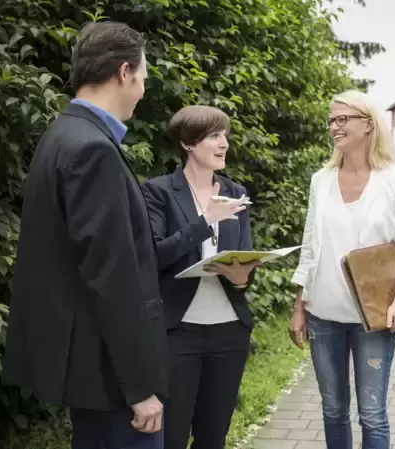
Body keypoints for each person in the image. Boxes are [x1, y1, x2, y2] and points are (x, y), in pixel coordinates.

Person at [1, 21, 168, 449]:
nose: (143, 91)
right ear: (124, 72)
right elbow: (112, 276)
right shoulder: (92, 149)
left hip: (89, 371)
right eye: (143, 79)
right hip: (110, 378)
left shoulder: (62, 135)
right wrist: (140, 388)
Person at [288, 90, 395, 449]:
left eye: (343, 119)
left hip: (375, 318)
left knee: (372, 414)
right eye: (332, 120)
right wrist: (299, 307)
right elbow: (310, 248)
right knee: (333, 409)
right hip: (323, 316)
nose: (335, 126)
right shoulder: (321, 180)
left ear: (368, 124)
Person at [140, 105, 259, 449]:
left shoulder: (235, 192)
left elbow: (245, 256)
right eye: (214, 136)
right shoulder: (158, 191)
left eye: (225, 136)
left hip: (229, 332)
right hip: (179, 332)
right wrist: (205, 221)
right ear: (189, 143)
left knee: (213, 436)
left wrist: (241, 279)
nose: (223, 144)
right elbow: (155, 255)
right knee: (173, 435)